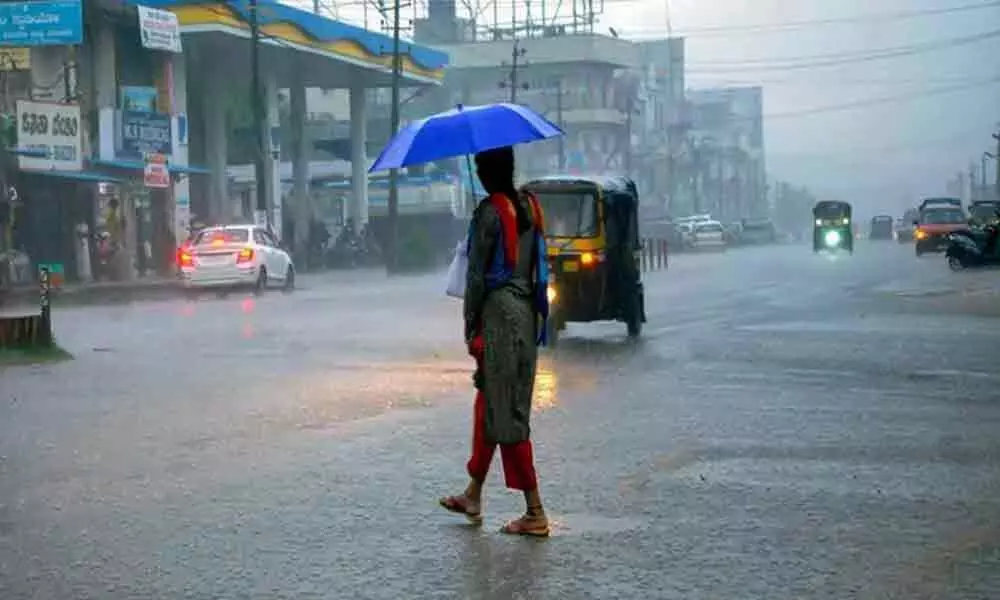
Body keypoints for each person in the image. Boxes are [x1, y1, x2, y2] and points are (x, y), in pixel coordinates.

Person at [439, 146, 551, 537]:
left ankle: (535, 511)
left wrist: (471, 327)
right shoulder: (531, 207)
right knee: (491, 403)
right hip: (527, 314)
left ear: (486, 172)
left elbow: (474, 278)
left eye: (478, 167)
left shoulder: (489, 213)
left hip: (499, 318)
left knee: (507, 415)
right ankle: (474, 492)